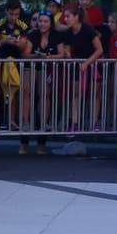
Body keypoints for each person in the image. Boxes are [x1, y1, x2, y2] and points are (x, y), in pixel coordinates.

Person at [23, 12, 67, 153]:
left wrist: (50, 57)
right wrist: (37, 56)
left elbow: (62, 54)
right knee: (27, 94)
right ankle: (25, 127)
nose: (42, 24)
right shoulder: (33, 34)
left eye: (45, 21)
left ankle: (43, 126)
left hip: (46, 69)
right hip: (31, 68)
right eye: (40, 21)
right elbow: (25, 54)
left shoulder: (57, 35)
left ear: (51, 23)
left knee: (45, 96)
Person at [60, 5, 104, 133]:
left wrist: (87, 63)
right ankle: (74, 123)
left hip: (93, 64)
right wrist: (67, 54)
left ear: (76, 17)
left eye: (68, 16)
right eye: (65, 17)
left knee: (95, 94)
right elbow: (68, 51)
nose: (65, 19)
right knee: (76, 94)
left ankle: (95, 123)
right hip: (78, 65)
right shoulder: (68, 32)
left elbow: (99, 50)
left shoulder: (88, 29)